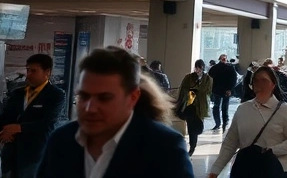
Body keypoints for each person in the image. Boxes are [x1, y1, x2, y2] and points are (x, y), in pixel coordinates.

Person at [36, 46, 193, 177]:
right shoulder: (61, 140)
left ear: (133, 97)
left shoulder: (164, 148)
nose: (90, 108)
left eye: (104, 98)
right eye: (83, 96)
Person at [208, 66, 287, 178]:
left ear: (273, 85)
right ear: (252, 86)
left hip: (276, 169)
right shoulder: (243, 109)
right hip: (246, 169)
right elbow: (230, 142)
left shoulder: (285, 110)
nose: (259, 84)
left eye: (264, 80)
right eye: (256, 81)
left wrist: (271, 151)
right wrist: (216, 169)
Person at [0, 54, 66, 178]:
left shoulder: (56, 95)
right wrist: (4, 131)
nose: (29, 74)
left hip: (34, 154)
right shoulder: (17, 93)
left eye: (34, 71)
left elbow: (47, 124)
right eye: (28, 70)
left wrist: (18, 128)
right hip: (10, 151)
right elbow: (5, 117)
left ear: (47, 72)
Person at [177, 59, 213, 156]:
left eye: (199, 68)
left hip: (201, 105)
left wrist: (196, 89)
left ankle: (193, 145)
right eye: (196, 68)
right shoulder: (189, 77)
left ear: (202, 68)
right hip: (190, 104)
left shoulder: (207, 78)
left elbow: (208, 90)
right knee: (191, 126)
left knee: (198, 126)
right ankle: (192, 146)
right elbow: (183, 89)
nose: (197, 70)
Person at [208, 54, 238, 131]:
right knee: (221, 107)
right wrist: (230, 89)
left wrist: (230, 89)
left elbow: (233, 79)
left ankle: (220, 123)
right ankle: (221, 123)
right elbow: (234, 79)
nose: (224, 60)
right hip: (222, 90)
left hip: (220, 90)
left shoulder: (217, 68)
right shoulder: (229, 68)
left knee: (219, 107)